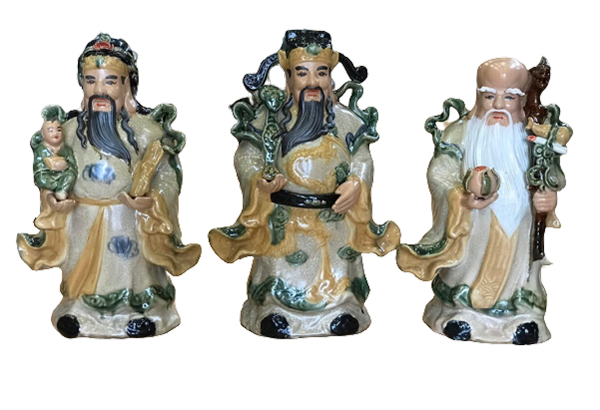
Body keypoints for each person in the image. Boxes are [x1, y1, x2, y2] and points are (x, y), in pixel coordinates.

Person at [209, 30, 400, 338]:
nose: (312, 82)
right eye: (302, 73)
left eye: (321, 73)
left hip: (335, 218)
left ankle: (342, 308)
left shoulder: (347, 120)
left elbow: (362, 158)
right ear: (287, 76)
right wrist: (259, 181)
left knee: (338, 271)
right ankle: (274, 310)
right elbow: (247, 156)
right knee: (280, 270)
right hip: (285, 218)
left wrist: (356, 183)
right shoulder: (268, 119)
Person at [17, 33, 201, 338]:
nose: (99, 90)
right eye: (91, 81)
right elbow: (49, 170)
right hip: (83, 217)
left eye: (110, 81)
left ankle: (140, 311)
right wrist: (52, 198)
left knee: (132, 270)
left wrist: (153, 200)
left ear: (128, 85)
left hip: (129, 219)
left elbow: (168, 177)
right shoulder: (68, 131)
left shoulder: (147, 132)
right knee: (83, 271)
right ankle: (79, 310)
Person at [397, 58, 559, 344]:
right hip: (474, 227)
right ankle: (461, 310)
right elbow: (439, 172)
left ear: (523, 99)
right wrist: (461, 199)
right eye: (489, 96)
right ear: (477, 95)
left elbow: (551, 174)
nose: (498, 105)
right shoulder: (461, 133)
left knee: (520, 272)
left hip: (520, 230)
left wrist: (548, 198)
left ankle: (522, 314)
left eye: (509, 97)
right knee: (469, 269)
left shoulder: (534, 138)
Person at [32, 105, 77, 201]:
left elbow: (73, 166)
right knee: (41, 179)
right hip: (47, 175)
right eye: (51, 131)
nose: (55, 133)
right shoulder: (41, 149)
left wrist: (66, 165)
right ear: (43, 134)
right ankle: (59, 189)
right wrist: (49, 165)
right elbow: (38, 167)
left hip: (63, 176)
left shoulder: (66, 149)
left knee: (70, 176)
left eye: (58, 130)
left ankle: (61, 191)